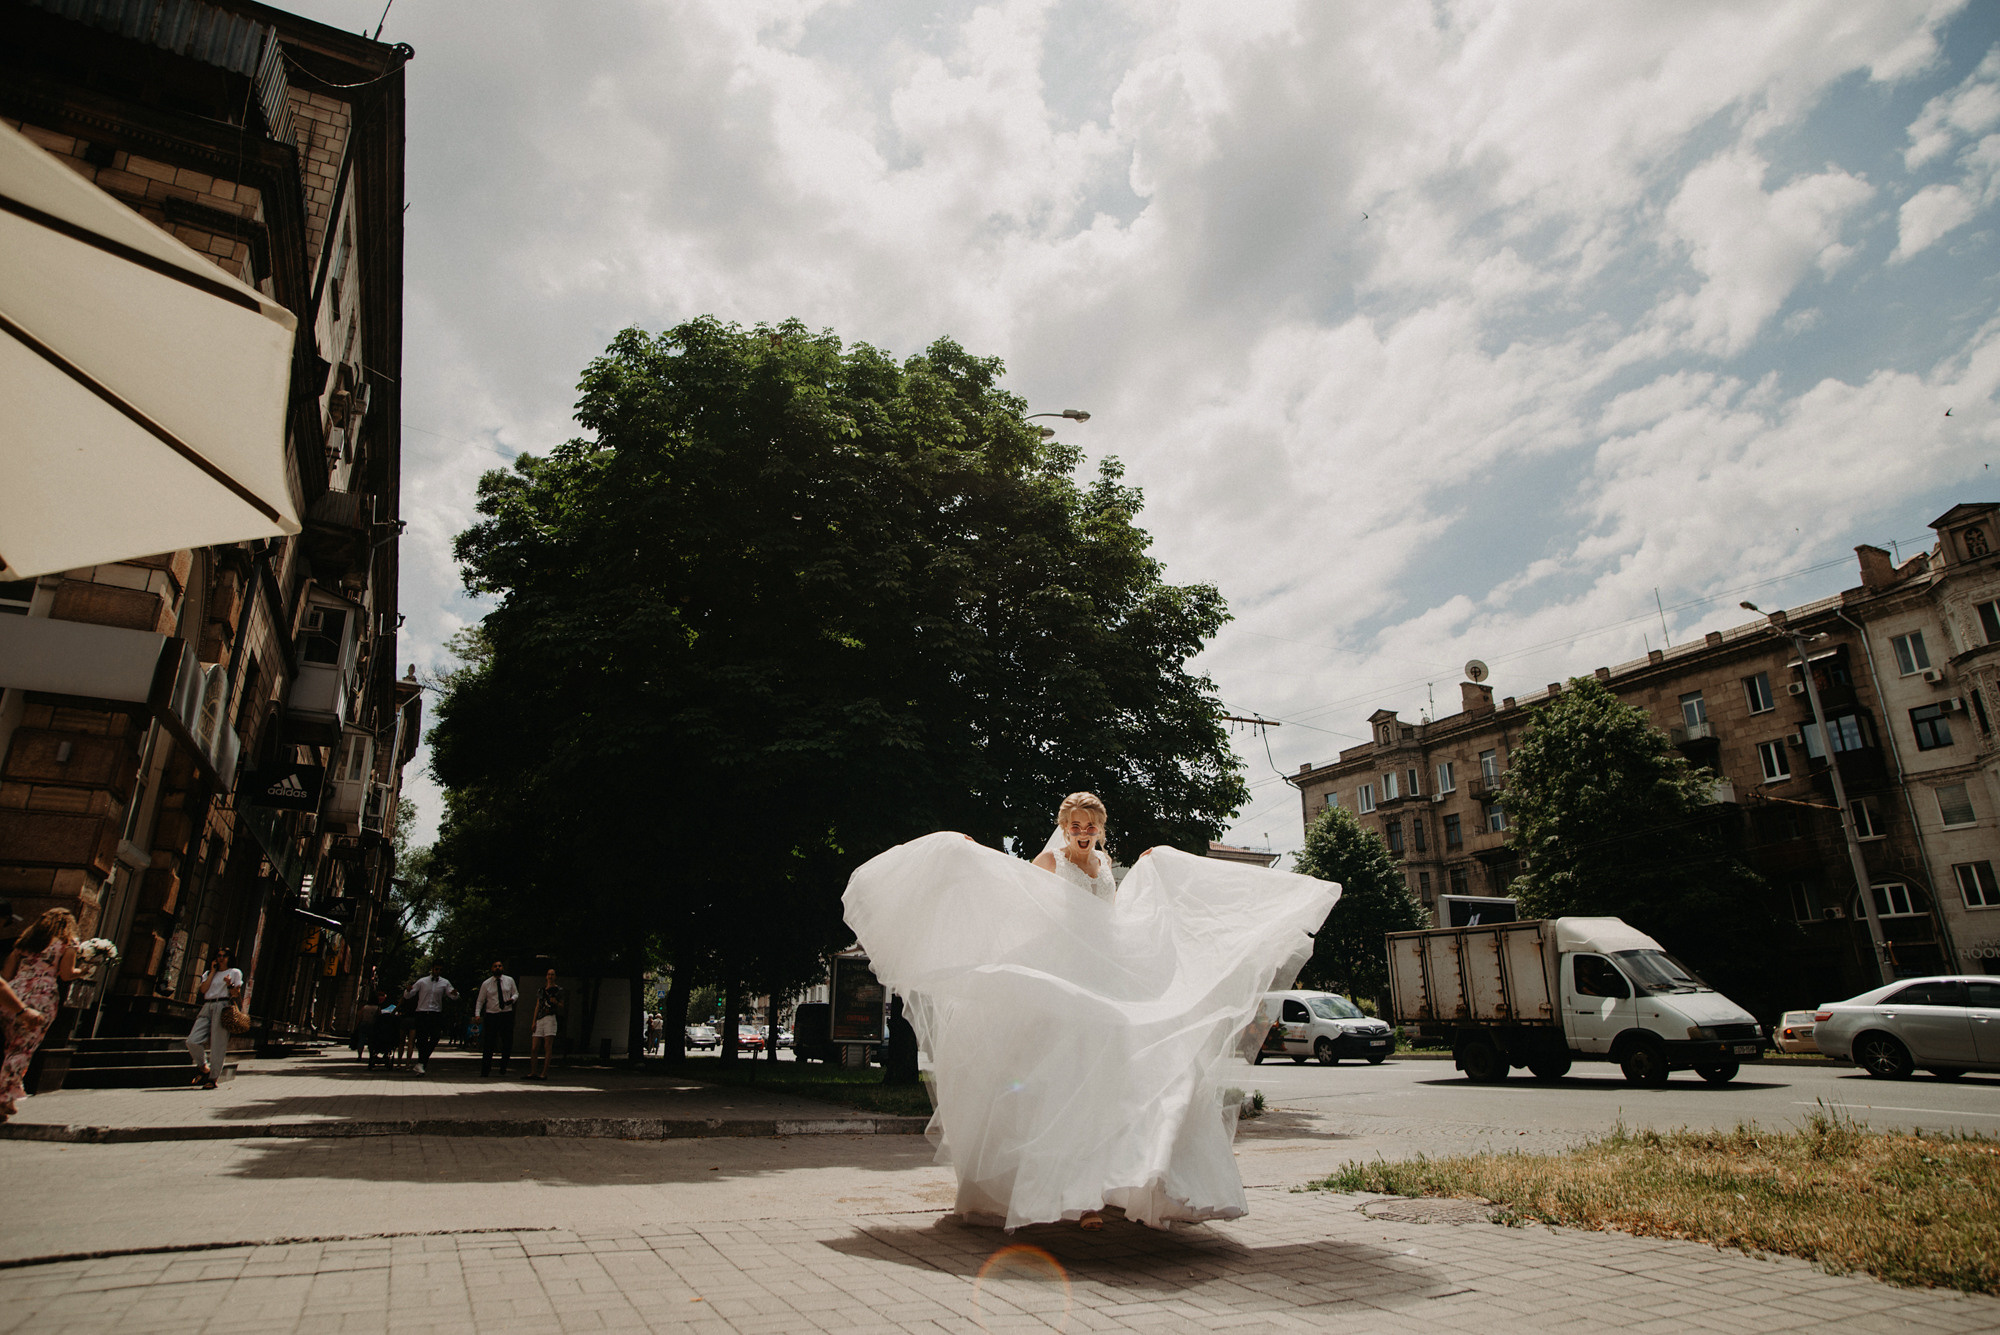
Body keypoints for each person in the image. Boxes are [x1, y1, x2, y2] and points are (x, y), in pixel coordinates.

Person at [844, 791, 1339, 1232]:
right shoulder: (1047, 861)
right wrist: (977, 857)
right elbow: (1020, 901)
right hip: (1066, 976)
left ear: (1101, 828)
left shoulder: (1105, 867)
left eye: (1090, 825)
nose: (1082, 832)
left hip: (1109, 976)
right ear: (1064, 827)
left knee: (1135, 1071)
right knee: (1064, 1076)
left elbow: (1115, 919)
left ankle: (1126, 1182)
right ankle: (1068, 1192)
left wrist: (1152, 870)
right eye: (1074, 824)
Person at [2, 908, 86, 1120]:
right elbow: (66, 974)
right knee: (23, 1048)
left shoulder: (26, 941)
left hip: (12, 995)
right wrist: (83, 971)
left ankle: (10, 1100)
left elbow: (6, 974)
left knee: (7, 1046)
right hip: (41, 998)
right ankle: (3, 1097)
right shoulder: (68, 942)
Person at [186, 947, 243, 1090]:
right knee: (192, 1040)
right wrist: (212, 971)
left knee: (218, 1043)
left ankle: (213, 1078)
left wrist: (229, 983)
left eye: (225, 956)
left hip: (222, 1005)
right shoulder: (208, 973)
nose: (221, 958)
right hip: (207, 1005)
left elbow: (236, 993)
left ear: (230, 958)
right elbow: (203, 990)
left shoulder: (234, 972)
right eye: (219, 955)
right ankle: (203, 1066)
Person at [404, 964, 457, 1074]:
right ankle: (422, 1064)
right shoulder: (422, 981)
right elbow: (408, 995)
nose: (438, 971)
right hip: (422, 1013)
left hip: (435, 1013)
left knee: (435, 1036)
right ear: (432, 969)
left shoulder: (445, 982)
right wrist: (408, 990)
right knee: (422, 1039)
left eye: (440, 970)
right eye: (436, 969)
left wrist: (455, 994)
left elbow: (452, 995)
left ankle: (421, 1062)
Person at [475, 960, 518, 1076]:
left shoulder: (509, 980)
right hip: (492, 1014)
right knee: (489, 1043)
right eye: (495, 966)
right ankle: (485, 1069)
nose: (498, 968)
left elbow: (516, 993)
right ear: (492, 969)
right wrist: (477, 1014)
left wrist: (512, 999)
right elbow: (480, 1000)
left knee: (507, 1042)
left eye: (500, 966)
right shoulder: (486, 984)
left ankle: (503, 1067)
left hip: (506, 1014)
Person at [528, 968, 564, 1080]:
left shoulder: (559, 990)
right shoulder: (541, 990)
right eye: (548, 974)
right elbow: (537, 1005)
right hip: (540, 1018)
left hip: (550, 1018)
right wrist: (534, 1021)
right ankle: (533, 1071)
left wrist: (556, 1002)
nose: (550, 976)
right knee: (534, 1047)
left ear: (555, 976)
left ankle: (544, 1072)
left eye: (552, 974)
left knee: (547, 1046)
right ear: (546, 976)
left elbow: (562, 1006)